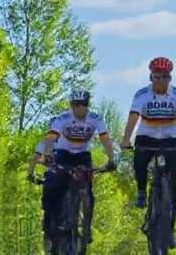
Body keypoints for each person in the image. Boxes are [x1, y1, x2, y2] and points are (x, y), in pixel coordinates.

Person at [119, 56, 176, 249]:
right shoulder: (142, 94)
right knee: (139, 161)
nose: (161, 81)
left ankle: (170, 230)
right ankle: (141, 190)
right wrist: (126, 139)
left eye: (165, 77)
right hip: (146, 136)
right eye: (157, 77)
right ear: (151, 77)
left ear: (170, 78)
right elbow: (133, 118)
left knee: (172, 185)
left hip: (169, 138)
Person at [41, 88, 117, 242]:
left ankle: (86, 227)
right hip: (63, 153)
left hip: (82, 155)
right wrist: (48, 154)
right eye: (76, 105)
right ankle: (52, 219)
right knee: (54, 181)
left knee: (87, 188)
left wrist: (111, 159)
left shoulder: (95, 119)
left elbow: (105, 139)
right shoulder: (62, 118)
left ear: (88, 105)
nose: (79, 108)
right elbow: (50, 138)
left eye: (83, 104)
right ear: (71, 105)